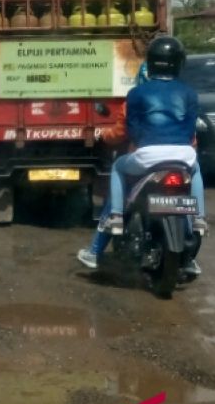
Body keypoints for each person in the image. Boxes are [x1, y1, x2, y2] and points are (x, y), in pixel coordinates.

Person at [77, 36, 207, 273]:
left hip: (145, 157)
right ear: (179, 63)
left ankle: (114, 219)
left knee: (118, 167)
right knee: (194, 170)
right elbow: (190, 130)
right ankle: (199, 218)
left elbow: (127, 131)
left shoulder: (136, 94)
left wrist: (104, 136)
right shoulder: (189, 93)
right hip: (183, 155)